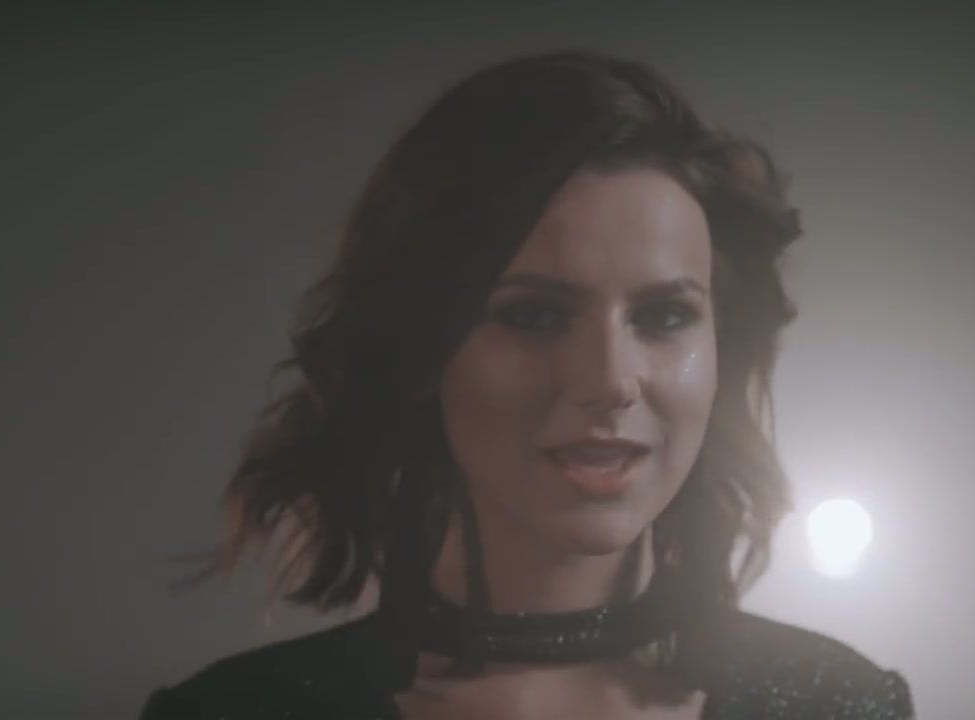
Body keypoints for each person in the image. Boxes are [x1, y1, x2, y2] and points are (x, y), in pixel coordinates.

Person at [139, 50, 914, 719]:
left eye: (665, 316)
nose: (609, 381)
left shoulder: (837, 705)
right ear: (423, 347)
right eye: (535, 315)